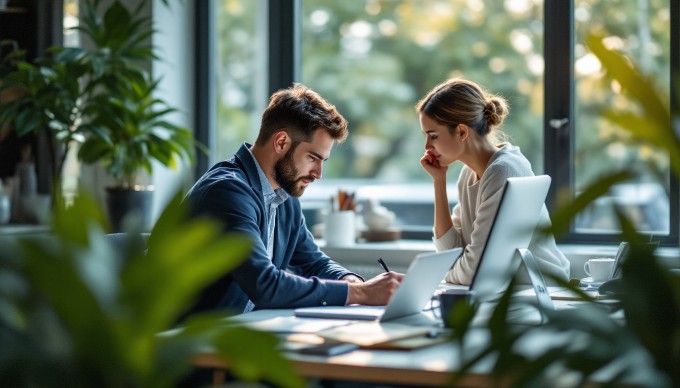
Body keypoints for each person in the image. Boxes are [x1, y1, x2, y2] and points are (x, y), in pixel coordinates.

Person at [183, 83, 403, 316]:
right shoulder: (227, 191)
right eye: (312, 158)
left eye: (322, 162)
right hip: (188, 342)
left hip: (240, 331)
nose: (318, 174)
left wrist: (353, 282)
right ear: (281, 142)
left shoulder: (284, 196)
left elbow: (313, 262)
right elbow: (265, 285)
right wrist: (362, 294)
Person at [416, 78, 570, 285]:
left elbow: (475, 272)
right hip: (504, 292)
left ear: (462, 132)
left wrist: (443, 273)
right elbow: (451, 253)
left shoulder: (504, 170)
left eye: (433, 136)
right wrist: (439, 181)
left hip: (539, 290)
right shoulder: (468, 174)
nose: (427, 146)